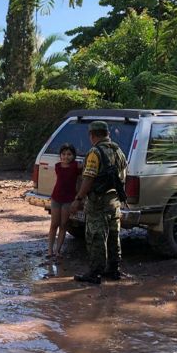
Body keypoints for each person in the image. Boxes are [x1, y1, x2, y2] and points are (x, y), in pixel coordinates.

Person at [70, 121, 128, 284]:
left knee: (96, 236)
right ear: (107, 133)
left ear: (92, 135)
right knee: (113, 235)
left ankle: (95, 273)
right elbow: (124, 174)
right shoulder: (118, 150)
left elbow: (88, 178)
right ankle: (114, 269)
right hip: (114, 201)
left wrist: (78, 199)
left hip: (98, 201)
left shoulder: (95, 152)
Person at [47, 143, 81, 263]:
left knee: (63, 224)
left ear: (73, 156)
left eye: (69, 154)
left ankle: (58, 251)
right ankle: (50, 251)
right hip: (56, 198)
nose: (66, 157)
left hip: (68, 200)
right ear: (60, 155)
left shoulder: (76, 167)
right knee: (54, 224)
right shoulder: (57, 166)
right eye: (63, 154)